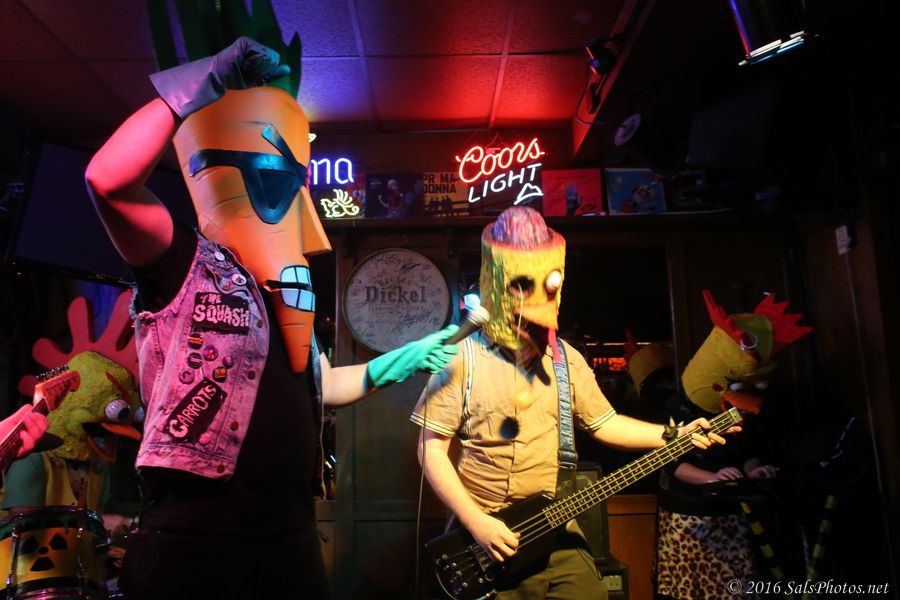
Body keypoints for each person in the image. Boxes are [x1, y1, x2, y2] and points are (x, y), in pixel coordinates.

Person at [85, 37, 457, 599]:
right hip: (196, 546)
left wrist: (401, 361)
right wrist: (200, 80)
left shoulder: (289, 304)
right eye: (274, 179)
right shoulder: (187, 268)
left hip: (291, 539)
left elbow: (321, 386)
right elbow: (107, 182)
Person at [411, 207, 734, 599]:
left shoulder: (567, 360)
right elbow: (431, 450)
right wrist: (476, 522)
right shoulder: (461, 359)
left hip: (555, 526)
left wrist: (674, 435)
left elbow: (605, 423)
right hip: (488, 535)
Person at [654, 290, 812, 600]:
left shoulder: (740, 405)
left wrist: (755, 471)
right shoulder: (677, 408)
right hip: (689, 515)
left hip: (733, 513)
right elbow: (672, 464)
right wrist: (713, 477)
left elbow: (746, 450)